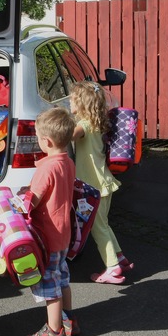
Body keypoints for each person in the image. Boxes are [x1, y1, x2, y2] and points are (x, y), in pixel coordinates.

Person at [18, 107, 77, 336]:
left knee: (49, 287)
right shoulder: (68, 162)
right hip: (63, 234)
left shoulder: (46, 167)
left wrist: (20, 199)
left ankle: (55, 332)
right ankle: (69, 320)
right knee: (62, 279)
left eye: (40, 139)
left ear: (47, 141)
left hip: (48, 236)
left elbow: (34, 200)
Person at [70, 81, 134, 284]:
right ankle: (120, 257)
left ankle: (113, 267)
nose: (68, 102)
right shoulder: (97, 123)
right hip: (103, 182)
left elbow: (66, 136)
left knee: (97, 229)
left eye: (71, 99)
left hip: (93, 187)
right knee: (104, 225)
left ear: (81, 104)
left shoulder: (84, 126)